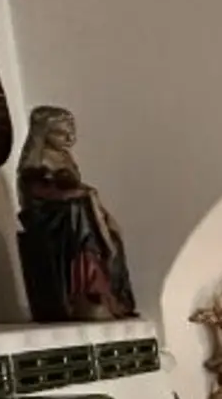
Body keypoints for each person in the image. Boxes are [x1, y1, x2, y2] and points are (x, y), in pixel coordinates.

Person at [16, 105, 137, 321]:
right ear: (44, 133)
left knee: (110, 232)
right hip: (53, 222)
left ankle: (107, 292)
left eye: (72, 132)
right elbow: (39, 193)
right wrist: (78, 195)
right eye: (61, 133)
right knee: (78, 215)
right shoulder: (38, 161)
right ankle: (85, 290)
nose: (70, 138)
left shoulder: (65, 157)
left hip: (73, 216)